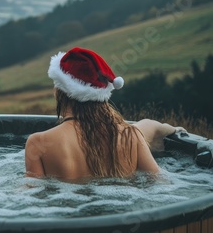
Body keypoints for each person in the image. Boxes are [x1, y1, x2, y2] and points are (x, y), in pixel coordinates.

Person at [25, 47, 185, 181]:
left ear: (60, 91)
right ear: (101, 94)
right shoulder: (130, 136)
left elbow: (31, 197)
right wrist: (175, 130)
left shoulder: (39, 143)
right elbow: (160, 181)